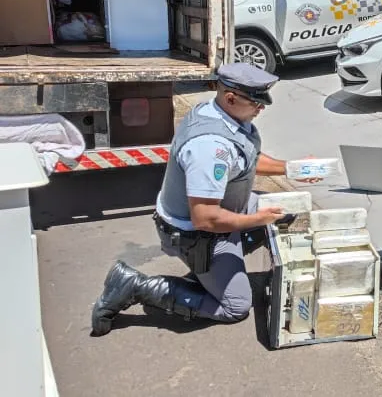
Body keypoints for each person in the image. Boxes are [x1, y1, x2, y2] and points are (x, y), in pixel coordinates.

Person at [90, 62, 324, 336]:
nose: (262, 108)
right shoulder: (209, 148)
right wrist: (257, 219)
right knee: (236, 306)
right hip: (196, 235)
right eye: (256, 102)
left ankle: (212, 274)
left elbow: (244, 160)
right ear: (230, 98)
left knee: (283, 211)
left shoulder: (219, 114)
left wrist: (291, 168)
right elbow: (205, 218)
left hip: (221, 213)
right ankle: (134, 285)